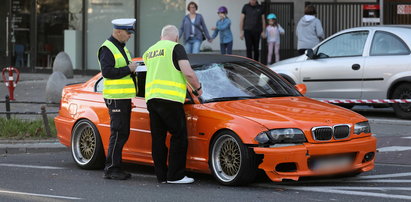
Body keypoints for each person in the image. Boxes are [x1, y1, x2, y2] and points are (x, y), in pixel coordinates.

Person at [143, 25, 202, 184]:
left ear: (162, 36)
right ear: (176, 37)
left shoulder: (149, 52)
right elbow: (188, 72)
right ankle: (176, 176)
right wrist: (198, 88)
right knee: (179, 136)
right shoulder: (176, 48)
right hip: (170, 99)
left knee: (158, 139)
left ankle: (161, 176)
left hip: (152, 99)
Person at [98, 18, 138, 180]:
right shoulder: (107, 48)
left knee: (122, 132)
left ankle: (116, 166)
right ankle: (112, 168)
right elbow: (107, 72)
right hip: (115, 98)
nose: (130, 36)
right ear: (118, 32)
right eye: (128, 33)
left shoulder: (121, 47)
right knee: (118, 132)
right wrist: (128, 69)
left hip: (122, 97)